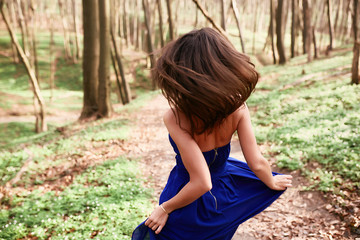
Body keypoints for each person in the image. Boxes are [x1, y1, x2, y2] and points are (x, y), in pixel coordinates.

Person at [132, 28, 292, 240]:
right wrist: (271, 182)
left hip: (186, 198)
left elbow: (201, 182)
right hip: (225, 198)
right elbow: (257, 163)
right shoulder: (238, 107)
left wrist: (164, 208)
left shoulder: (176, 117)